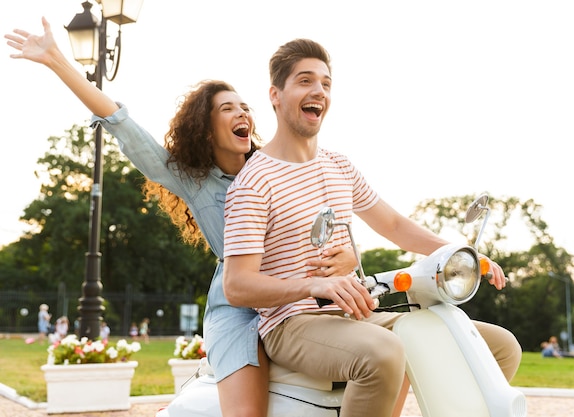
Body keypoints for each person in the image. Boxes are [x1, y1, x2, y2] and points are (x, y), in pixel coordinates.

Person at [5, 19, 356, 417]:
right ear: (206, 130)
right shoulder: (193, 181)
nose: (242, 113)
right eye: (228, 109)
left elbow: (330, 229)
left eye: (245, 107)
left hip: (302, 299)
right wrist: (56, 60)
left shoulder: (279, 167)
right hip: (239, 309)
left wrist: (346, 260)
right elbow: (125, 126)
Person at [222, 38, 522, 417]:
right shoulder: (254, 182)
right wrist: (314, 284)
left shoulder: (340, 166)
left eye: (326, 84)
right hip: (292, 321)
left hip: (359, 311)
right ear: (275, 95)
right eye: (305, 81)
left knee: (497, 346)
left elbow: (393, 224)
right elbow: (237, 285)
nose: (318, 91)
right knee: (383, 352)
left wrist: (459, 256)